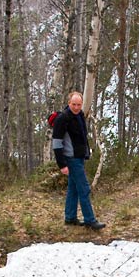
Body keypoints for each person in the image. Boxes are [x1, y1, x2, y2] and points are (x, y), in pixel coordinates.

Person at [52, 91, 106, 230]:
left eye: (79, 105)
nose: (76, 107)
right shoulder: (63, 118)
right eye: (74, 104)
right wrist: (62, 164)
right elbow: (57, 143)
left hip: (80, 157)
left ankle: (70, 218)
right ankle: (90, 220)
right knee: (84, 189)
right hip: (71, 159)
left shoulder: (80, 115)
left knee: (74, 189)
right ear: (69, 103)